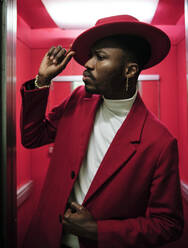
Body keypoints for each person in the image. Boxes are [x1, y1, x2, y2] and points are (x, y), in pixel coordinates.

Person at [21, 15, 184, 248]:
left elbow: (168, 224)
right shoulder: (78, 100)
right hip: (47, 238)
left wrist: (98, 230)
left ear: (129, 70)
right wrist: (42, 80)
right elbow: (32, 136)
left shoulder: (159, 141)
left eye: (100, 57)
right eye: (90, 56)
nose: (87, 63)